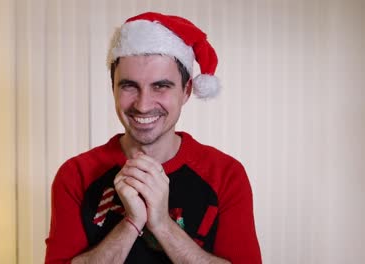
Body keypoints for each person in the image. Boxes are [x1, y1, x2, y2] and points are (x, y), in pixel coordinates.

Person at [45, 12, 261, 264]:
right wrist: (131, 223)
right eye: (129, 86)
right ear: (112, 87)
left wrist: (162, 225)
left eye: (161, 86)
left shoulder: (226, 175)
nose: (143, 105)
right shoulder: (76, 175)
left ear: (186, 91)